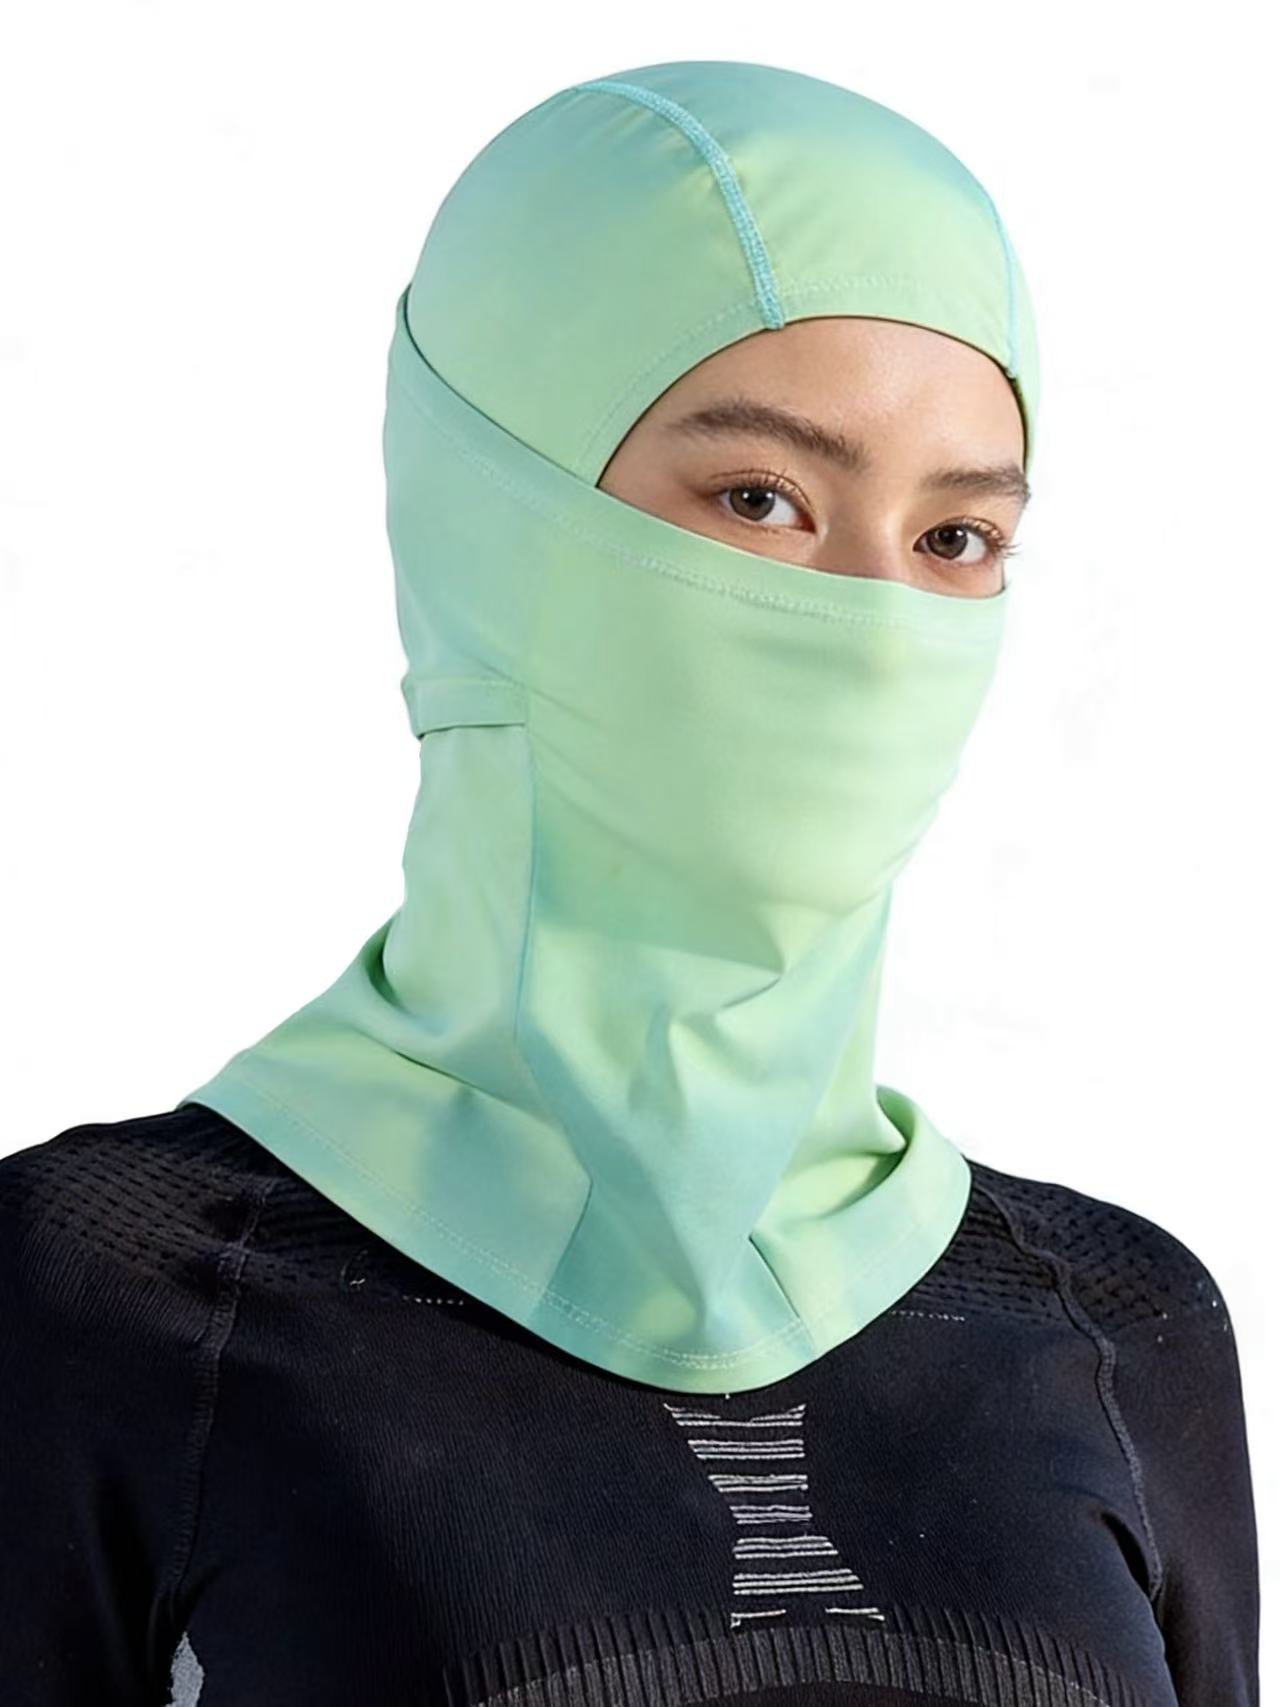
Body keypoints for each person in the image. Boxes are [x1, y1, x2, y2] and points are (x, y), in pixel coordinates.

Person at [0, 58, 1259, 1707]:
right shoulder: (111, 1293)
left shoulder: (1118, 1325)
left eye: (954, 539)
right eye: (763, 501)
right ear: (492, 524)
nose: (879, 630)